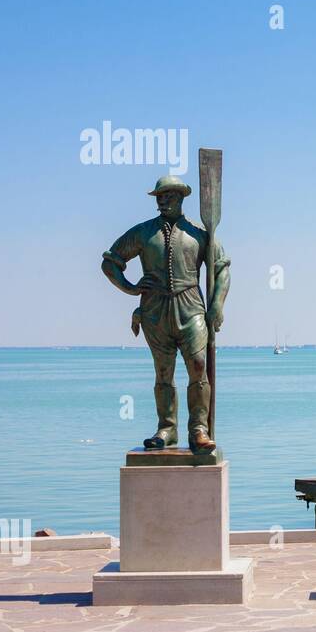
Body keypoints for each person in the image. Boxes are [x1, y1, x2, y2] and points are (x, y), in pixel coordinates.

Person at [102, 176, 231, 452]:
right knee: (163, 373)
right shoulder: (143, 233)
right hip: (154, 312)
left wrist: (217, 304)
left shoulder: (200, 233)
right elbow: (110, 262)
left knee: (198, 367)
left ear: (181, 197)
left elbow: (221, 268)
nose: (162, 201)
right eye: (159, 196)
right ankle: (167, 428)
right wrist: (131, 288)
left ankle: (198, 428)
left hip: (192, 308)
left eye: (168, 196)